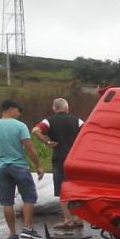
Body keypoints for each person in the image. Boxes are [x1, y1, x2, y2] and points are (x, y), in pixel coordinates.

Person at [0, 99, 44, 239]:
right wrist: (38, 165)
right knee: (29, 197)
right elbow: (29, 147)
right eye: (18, 110)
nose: (19, 113)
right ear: (11, 109)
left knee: (7, 202)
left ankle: (12, 235)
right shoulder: (20, 126)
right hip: (19, 167)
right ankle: (27, 229)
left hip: (1, 169)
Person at [32, 97, 83, 229]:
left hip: (60, 158)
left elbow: (35, 131)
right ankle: (78, 218)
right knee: (76, 188)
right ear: (67, 108)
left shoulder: (49, 121)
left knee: (63, 190)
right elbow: (88, 132)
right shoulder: (77, 120)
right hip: (75, 159)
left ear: (54, 109)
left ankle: (68, 219)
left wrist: (46, 142)